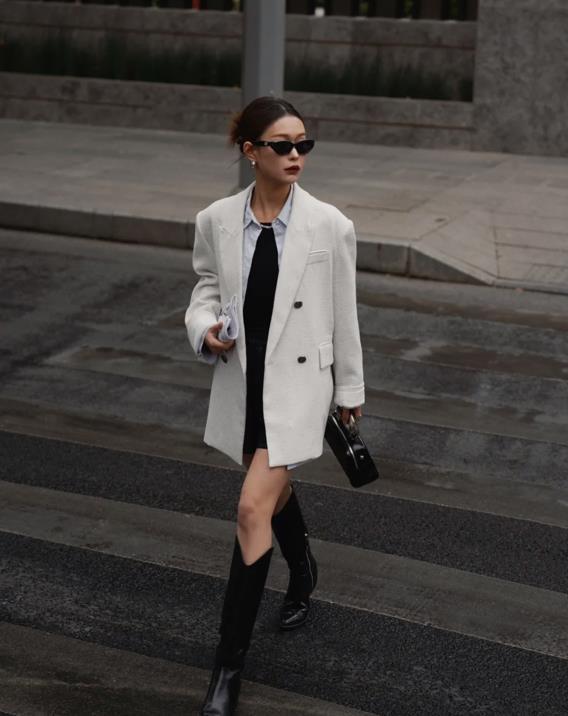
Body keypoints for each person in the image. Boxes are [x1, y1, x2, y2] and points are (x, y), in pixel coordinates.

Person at [184, 95, 365, 715]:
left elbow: (345, 313)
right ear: (250, 151)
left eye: (303, 144)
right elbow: (207, 287)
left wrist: (349, 390)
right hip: (244, 380)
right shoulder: (216, 219)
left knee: (250, 507)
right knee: (268, 492)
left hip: (300, 386)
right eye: (282, 145)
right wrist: (205, 328)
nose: (295, 155)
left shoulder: (330, 225)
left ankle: (227, 670)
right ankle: (304, 566)